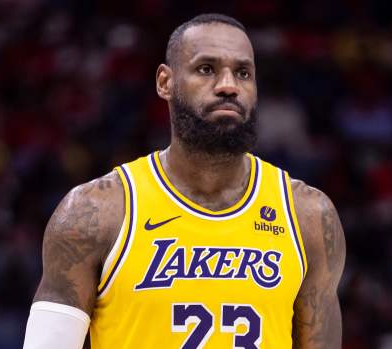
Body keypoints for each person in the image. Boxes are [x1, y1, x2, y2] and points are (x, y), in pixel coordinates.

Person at [23, 13, 346, 349]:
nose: (228, 85)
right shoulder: (94, 213)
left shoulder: (307, 216)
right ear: (165, 82)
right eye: (206, 69)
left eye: (243, 73)